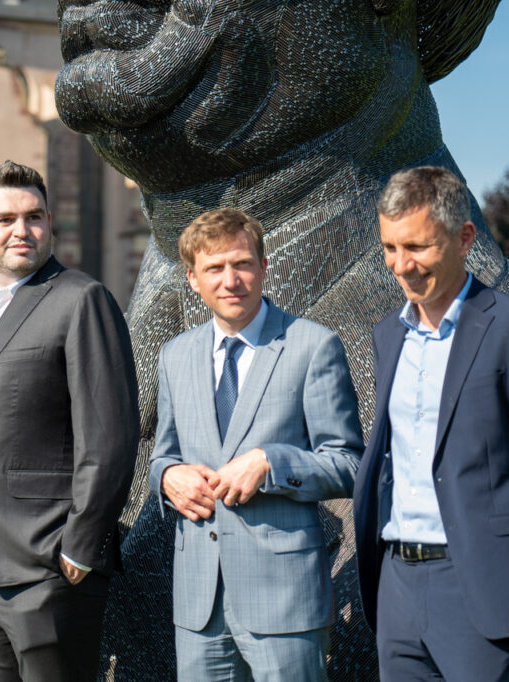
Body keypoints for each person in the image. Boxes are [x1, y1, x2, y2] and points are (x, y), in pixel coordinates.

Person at [353, 166, 509, 680]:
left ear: (464, 239)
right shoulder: (386, 337)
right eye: (390, 248)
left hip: (486, 590)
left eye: (417, 247)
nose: (401, 265)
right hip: (396, 591)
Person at [0, 159, 140, 681]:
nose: (22, 230)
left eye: (34, 216)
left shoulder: (81, 299)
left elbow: (109, 436)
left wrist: (80, 549)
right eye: (5, 219)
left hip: (48, 569)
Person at [147, 208, 363, 681]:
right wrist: (166, 476)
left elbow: (349, 462)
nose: (231, 280)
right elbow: (164, 452)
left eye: (242, 263)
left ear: (264, 267)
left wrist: (272, 463)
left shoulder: (313, 346)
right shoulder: (175, 355)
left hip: (284, 601)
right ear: (192, 279)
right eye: (215, 268)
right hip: (199, 604)